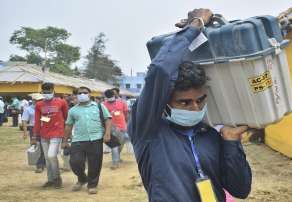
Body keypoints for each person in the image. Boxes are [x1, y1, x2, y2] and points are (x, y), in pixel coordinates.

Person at [128, 9, 252, 202]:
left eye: (200, 100)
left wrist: (231, 143)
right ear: (164, 102)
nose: (195, 108)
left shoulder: (210, 134)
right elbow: (160, 71)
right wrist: (195, 26)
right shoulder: (148, 130)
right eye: (184, 102)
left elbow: (241, 189)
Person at [62, 86, 112, 194]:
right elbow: (68, 126)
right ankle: (82, 178)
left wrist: (107, 133)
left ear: (89, 94)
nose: (82, 94)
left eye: (84, 92)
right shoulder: (73, 110)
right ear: (76, 95)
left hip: (96, 138)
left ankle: (92, 185)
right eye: (79, 93)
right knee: (75, 162)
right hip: (78, 139)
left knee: (95, 163)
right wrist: (65, 140)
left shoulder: (99, 106)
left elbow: (107, 119)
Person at [32, 82, 68, 189]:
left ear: (53, 90)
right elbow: (38, 121)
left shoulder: (61, 102)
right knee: (47, 159)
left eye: (49, 92)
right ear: (42, 92)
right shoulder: (39, 105)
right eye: (45, 92)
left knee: (51, 155)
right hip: (44, 134)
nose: (47, 94)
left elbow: (66, 117)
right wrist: (34, 136)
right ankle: (50, 180)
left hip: (57, 133)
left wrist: (66, 133)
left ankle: (57, 178)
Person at [103, 89, 128, 169]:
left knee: (121, 143)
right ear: (106, 97)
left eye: (111, 96)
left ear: (114, 95)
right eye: (108, 97)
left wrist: (126, 122)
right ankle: (115, 162)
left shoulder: (122, 102)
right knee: (115, 144)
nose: (110, 98)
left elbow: (126, 113)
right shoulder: (103, 105)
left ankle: (118, 157)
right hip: (111, 127)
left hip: (122, 126)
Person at [22, 93, 46, 173]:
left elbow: (48, 119)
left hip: (44, 128)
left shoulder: (45, 108)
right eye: (38, 100)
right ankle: (40, 163)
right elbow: (24, 121)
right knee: (36, 147)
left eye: (41, 100)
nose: (40, 101)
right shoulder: (28, 109)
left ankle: (41, 164)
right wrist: (25, 132)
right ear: (33, 101)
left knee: (44, 147)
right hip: (33, 129)